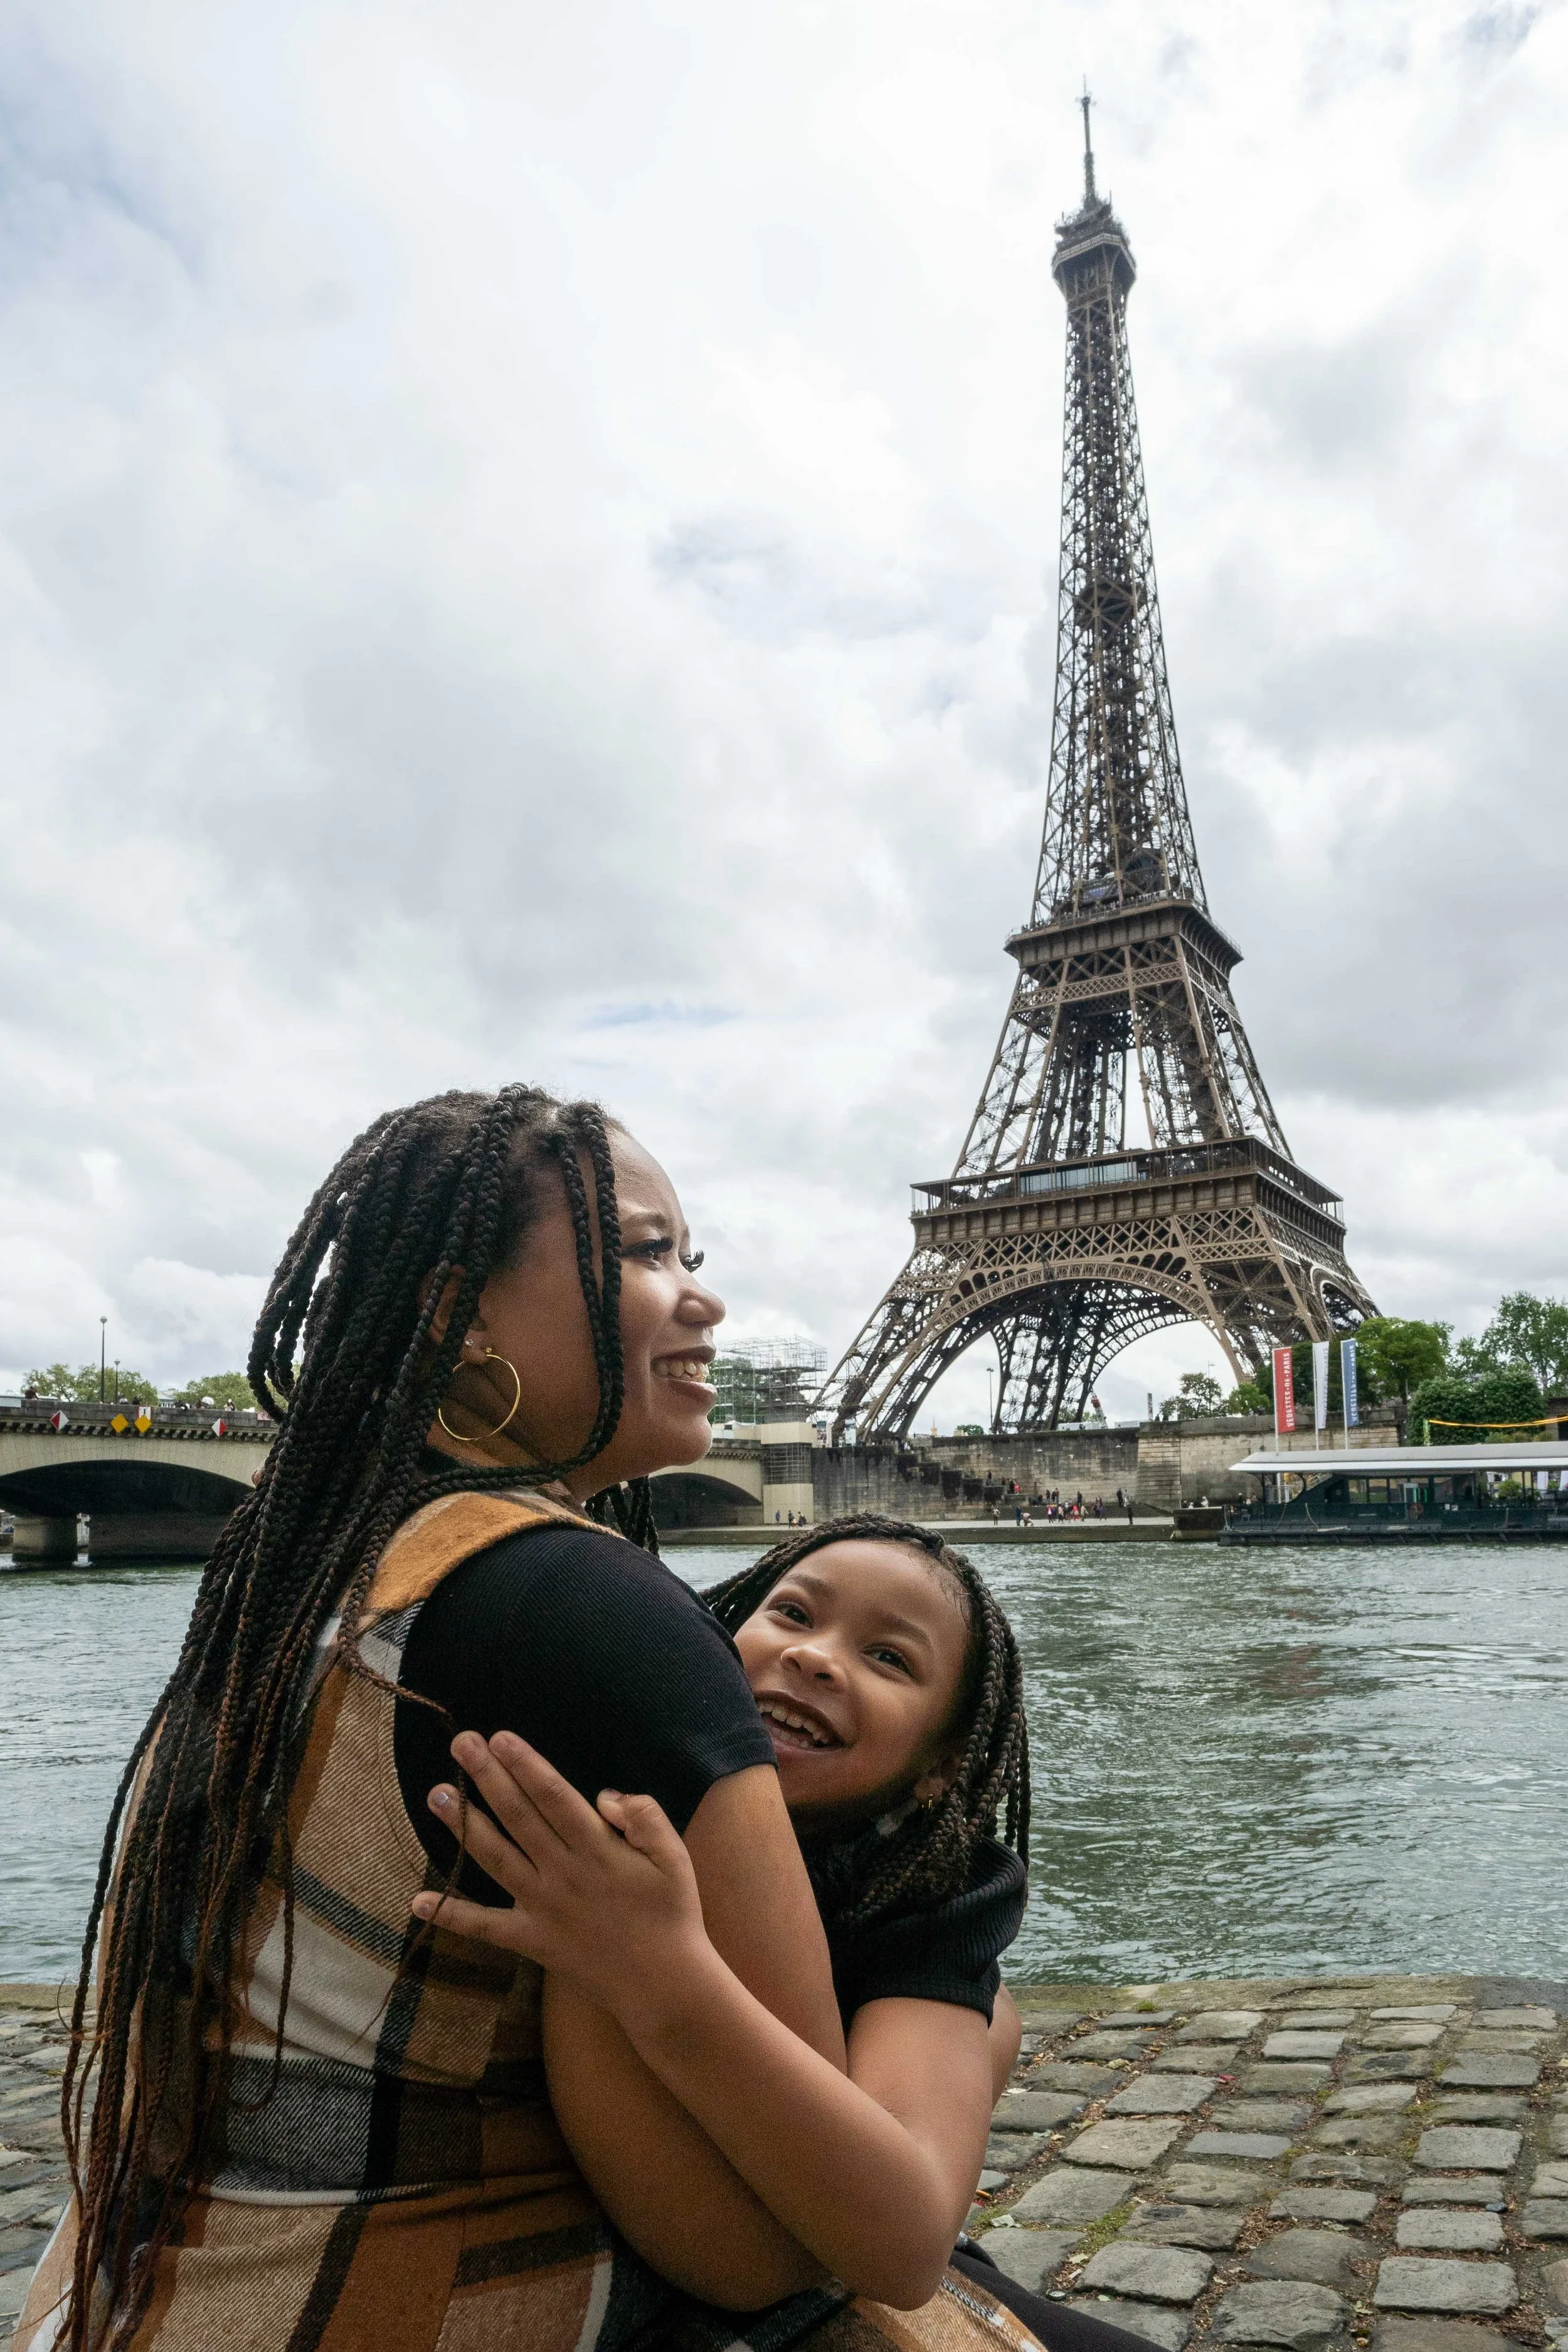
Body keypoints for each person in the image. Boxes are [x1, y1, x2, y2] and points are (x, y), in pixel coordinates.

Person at [16, 1088, 1085, 2352]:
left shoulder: (300, 1567)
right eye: (640, 1252)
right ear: (458, 1309)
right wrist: (646, 1983)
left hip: (142, 2292)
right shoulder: (591, 1615)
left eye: (692, 1254)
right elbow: (768, 2254)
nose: (701, 1297)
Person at [415, 1517, 1057, 2324]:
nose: (814, 1657)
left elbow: (910, 2248)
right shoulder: (624, 1792)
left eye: (889, 1657)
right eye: (792, 1614)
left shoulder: (938, 1899)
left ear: (943, 1766)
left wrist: (658, 1976)